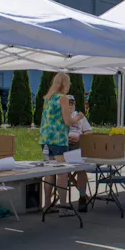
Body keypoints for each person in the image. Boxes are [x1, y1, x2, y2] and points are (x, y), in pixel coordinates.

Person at [39, 73, 88, 216]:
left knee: (49, 172)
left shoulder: (48, 98)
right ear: (65, 84)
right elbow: (68, 121)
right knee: (62, 173)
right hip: (58, 140)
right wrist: (78, 117)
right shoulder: (63, 98)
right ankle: (63, 206)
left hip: (45, 139)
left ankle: (47, 205)